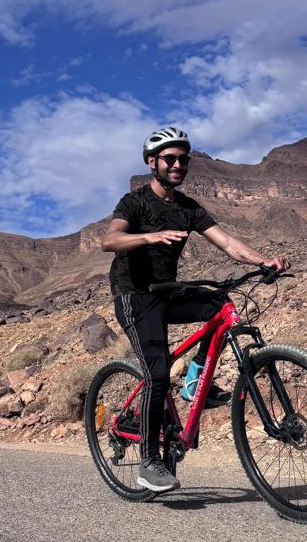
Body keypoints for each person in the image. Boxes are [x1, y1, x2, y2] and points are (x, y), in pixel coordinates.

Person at [102, 128, 289, 494]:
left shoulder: (187, 208)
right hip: (135, 296)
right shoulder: (133, 203)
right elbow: (110, 240)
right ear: (151, 162)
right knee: (156, 376)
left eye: (183, 159)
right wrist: (149, 237)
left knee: (219, 303)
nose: (177, 164)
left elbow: (228, 243)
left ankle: (194, 381)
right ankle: (150, 462)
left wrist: (263, 260)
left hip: (168, 292)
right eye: (169, 159)